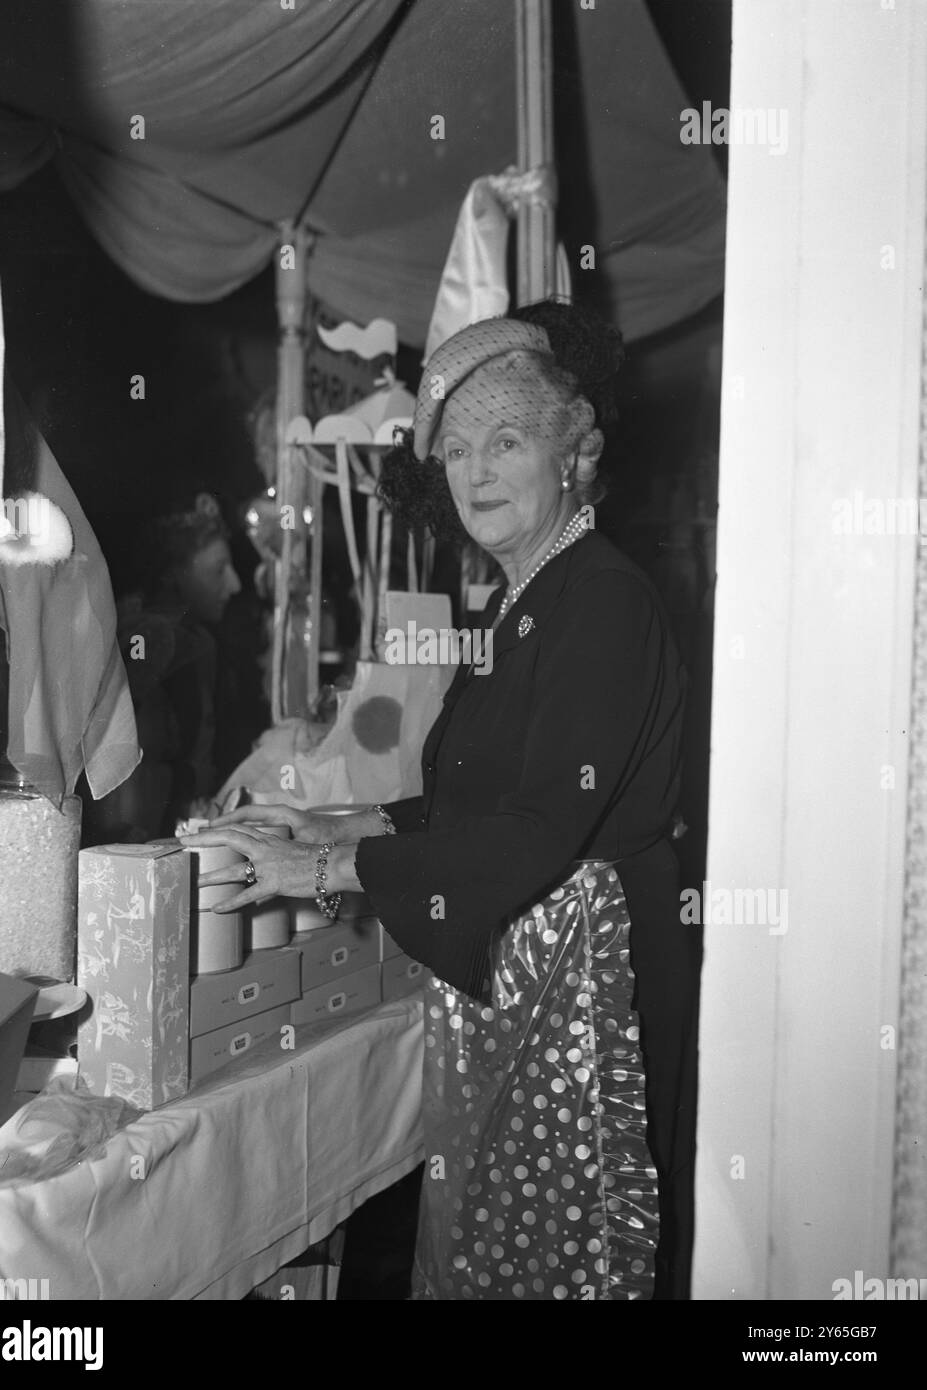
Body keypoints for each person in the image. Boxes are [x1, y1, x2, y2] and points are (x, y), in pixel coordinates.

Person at [183, 313, 699, 1301]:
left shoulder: (602, 600)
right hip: (529, 973)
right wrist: (349, 824)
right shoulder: (534, 595)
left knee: (562, 1256)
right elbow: (481, 796)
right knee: (498, 1243)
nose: (476, 471)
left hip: (591, 988)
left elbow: (540, 829)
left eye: (506, 441)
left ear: (577, 446)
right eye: (457, 449)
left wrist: (327, 871)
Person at [89, 495, 242, 840]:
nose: (235, 584)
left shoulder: (190, 638)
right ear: (175, 574)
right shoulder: (155, 638)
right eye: (218, 570)